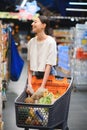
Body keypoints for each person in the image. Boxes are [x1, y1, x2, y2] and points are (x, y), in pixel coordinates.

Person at [26, 15, 57, 95]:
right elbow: (30, 64)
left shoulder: (51, 42)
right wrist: (29, 84)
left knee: (46, 101)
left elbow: (49, 65)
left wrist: (42, 86)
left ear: (43, 25)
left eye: (35, 22)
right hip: (36, 75)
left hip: (49, 76)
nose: (32, 24)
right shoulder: (31, 42)